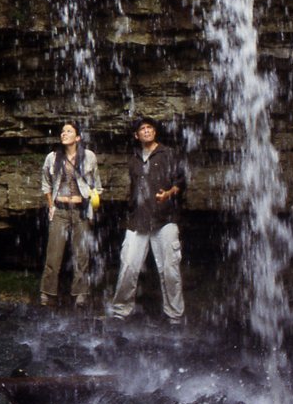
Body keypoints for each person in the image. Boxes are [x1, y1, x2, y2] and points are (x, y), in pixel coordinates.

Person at [111, 116, 186, 326]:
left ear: (155, 132)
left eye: (149, 128)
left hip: (165, 219)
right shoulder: (133, 158)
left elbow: (180, 181)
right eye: (142, 129)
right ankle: (120, 311)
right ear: (136, 135)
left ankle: (174, 315)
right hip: (138, 219)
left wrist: (168, 194)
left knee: (170, 268)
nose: (146, 131)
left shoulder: (168, 153)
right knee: (128, 264)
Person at [40, 121, 103, 308]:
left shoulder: (89, 156)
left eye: (69, 131)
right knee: (53, 255)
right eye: (62, 131)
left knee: (81, 255)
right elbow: (46, 184)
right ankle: (47, 293)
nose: (63, 134)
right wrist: (51, 206)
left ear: (78, 137)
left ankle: (80, 293)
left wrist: (93, 208)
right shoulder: (52, 157)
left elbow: (96, 185)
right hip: (59, 210)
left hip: (81, 210)